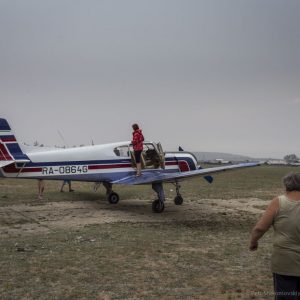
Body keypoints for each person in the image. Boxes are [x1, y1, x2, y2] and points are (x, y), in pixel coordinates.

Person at [249, 172, 300, 299]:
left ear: (286, 186)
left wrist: (253, 242)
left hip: (285, 263)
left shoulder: (279, 202)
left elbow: (260, 228)